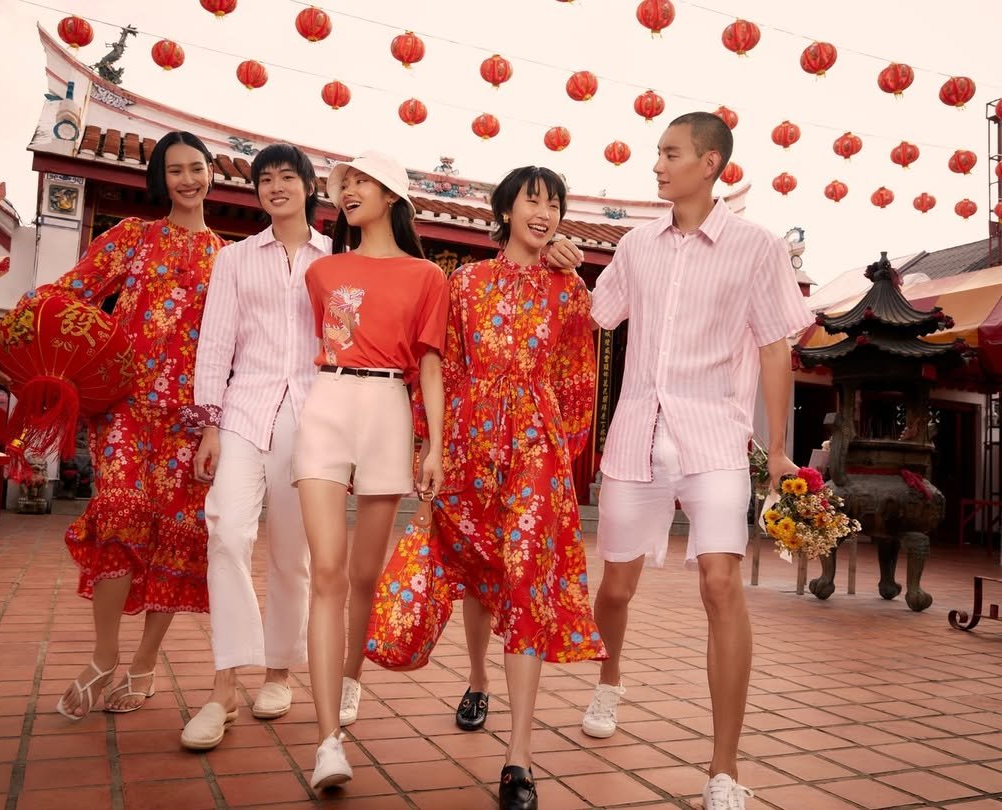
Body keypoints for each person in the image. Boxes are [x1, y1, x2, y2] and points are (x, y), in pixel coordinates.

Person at [581, 112, 813, 810]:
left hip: (715, 439)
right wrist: (560, 256)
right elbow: (598, 313)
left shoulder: (757, 247)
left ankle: (724, 769)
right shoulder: (635, 246)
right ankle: (608, 680)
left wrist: (777, 451)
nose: (657, 164)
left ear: (710, 163)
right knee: (615, 588)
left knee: (720, 584)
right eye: (657, 153)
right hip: (636, 438)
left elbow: (775, 347)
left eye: (670, 153)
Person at [0, 131, 225, 719]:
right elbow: (66, 295)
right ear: (161, 179)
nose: (187, 179)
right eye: (175, 170)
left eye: (196, 168)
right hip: (123, 408)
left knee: (178, 536)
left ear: (211, 173)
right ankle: (103, 656)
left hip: (190, 420)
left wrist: (218, 424)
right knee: (120, 513)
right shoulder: (132, 238)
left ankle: (144, 665)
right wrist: (4, 327)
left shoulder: (230, 259)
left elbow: (238, 347)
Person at [423, 166, 606, 810]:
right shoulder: (466, 282)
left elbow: (578, 376)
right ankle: (477, 680)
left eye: (555, 203)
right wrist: (435, 445)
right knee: (482, 571)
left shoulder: (569, 290)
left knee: (525, 579)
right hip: (471, 444)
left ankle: (519, 759)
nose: (545, 213)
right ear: (505, 210)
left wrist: (561, 452)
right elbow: (445, 365)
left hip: (536, 448)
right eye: (533, 200)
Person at [294, 150, 448, 791]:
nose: (349, 191)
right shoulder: (322, 271)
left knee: (365, 574)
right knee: (327, 571)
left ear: (392, 197)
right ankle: (327, 740)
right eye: (344, 184)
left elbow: (430, 363)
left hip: (389, 408)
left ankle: (350, 674)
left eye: (362, 182)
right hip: (327, 403)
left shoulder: (427, 276)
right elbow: (324, 341)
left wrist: (435, 445)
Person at [178, 144, 329, 750]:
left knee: (294, 552)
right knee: (226, 531)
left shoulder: (335, 260)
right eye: (265, 180)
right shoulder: (234, 259)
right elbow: (215, 343)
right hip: (243, 409)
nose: (275, 187)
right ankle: (224, 688)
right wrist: (209, 425)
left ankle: (278, 671)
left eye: (287, 177)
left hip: (311, 417)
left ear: (309, 187)